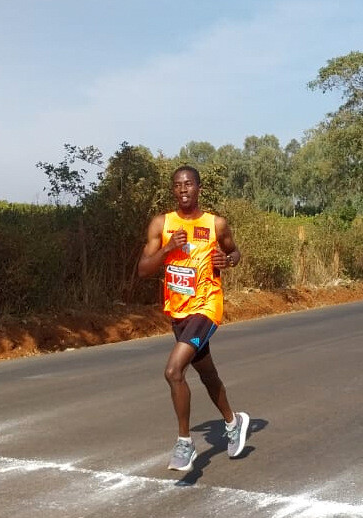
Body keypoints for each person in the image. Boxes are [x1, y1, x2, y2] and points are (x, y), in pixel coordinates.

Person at [138, 165, 249, 471]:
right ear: (173, 190)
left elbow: (235, 253)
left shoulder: (216, 224)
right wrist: (167, 248)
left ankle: (184, 443)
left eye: (188, 184)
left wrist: (227, 260)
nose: (183, 189)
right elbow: (143, 270)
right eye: (177, 185)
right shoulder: (161, 224)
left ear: (199, 188)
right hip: (179, 312)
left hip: (206, 306)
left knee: (174, 371)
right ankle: (233, 422)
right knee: (207, 374)